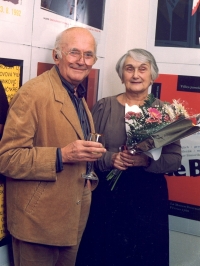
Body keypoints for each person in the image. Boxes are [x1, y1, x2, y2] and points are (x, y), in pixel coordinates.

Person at [0, 27, 106, 266]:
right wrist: (63, 155)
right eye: (74, 53)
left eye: (88, 55)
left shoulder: (75, 93)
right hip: (38, 223)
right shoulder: (33, 93)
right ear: (56, 56)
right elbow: (7, 158)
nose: (81, 61)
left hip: (71, 217)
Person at [76, 49, 182, 266]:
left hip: (149, 196)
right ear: (121, 74)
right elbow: (89, 151)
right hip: (108, 194)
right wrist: (110, 158)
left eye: (143, 69)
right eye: (129, 68)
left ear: (153, 75)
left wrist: (146, 161)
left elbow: (175, 159)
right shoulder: (105, 106)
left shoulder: (165, 112)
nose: (136, 75)